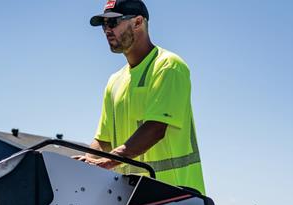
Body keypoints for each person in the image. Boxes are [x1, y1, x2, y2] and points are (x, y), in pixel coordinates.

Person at [78, 0, 206, 194]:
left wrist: (104, 163)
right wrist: (83, 166)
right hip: (132, 197)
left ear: (138, 22)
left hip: (177, 195)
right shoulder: (114, 81)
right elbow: (103, 141)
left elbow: (155, 129)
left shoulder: (168, 66)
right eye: (103, 24)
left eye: (113, 23)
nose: (106, 30)